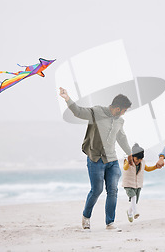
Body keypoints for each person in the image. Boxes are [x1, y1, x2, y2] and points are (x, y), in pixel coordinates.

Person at [59, 87, 134, 232]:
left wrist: (129, 153)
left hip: (112, 160)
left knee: (113, 190)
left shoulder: (119, 121)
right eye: (124, 110)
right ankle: (86, 217)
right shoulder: (97, 112)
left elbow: (121, 137)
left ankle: (110, 223)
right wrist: (67, 98)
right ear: (117, 108)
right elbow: (79, 111)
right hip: (95, 159)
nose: (125, 113)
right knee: (97, 190)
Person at [122, 143, 160, 222]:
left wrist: (155, 167)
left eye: (140, 159)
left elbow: (147, 169)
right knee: (133, 197)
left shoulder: (142, 162)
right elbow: (125, 168)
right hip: (128, 183)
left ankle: (129, 212)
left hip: (138, 184)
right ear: (132, 156)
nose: (138, 161)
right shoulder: (128, 160)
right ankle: (135, 212)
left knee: (134, 201)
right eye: (137, 159)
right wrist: (129, 163)